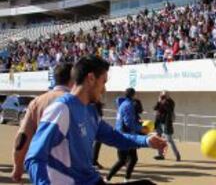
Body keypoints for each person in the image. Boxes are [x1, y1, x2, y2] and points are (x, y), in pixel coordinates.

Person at [25, 55, 166, 185]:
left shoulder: (90, 111)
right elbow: (34, 158)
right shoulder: (62, 109)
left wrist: (146, 140)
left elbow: (114, 136)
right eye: (103, 82)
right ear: (91, 78)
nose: (104, 89)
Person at [11, 62, 74, 183]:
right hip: (72, 172)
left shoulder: (37, 102)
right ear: (73, 78)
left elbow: (22, 138)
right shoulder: (78, 102)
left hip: (42, 170)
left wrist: (17, 166)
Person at [105, 88, 148, 183]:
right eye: (135, 94)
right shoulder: (128, 105)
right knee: (122, 160)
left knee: (132, 159)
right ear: (133, 95)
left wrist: (138, 123)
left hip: (126, 134)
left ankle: (126, 179)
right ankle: (107, 179)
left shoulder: (124, 104)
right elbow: (128, 123)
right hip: (124, 135)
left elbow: (129, 120)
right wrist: (141, 128)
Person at [153, 91, 181, 161]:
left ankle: (177, 155)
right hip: (159, 122)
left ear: (168, 95)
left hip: (166, 123)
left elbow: (169, 110)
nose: (163, 96)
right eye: (162, 95)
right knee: (158, 139)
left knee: (169, 140)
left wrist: (164, 102)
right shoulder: (160, 101)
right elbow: (155, 108)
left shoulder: (171, 102)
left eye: (165, 95)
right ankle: (160, 155)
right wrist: (159, 101)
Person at [93, 102, 104, 169]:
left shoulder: (97, 106)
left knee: (97, 144)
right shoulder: (92, 106)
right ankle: (93, 162)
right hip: (94, 129)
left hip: (97, 128)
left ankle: (94, 161)